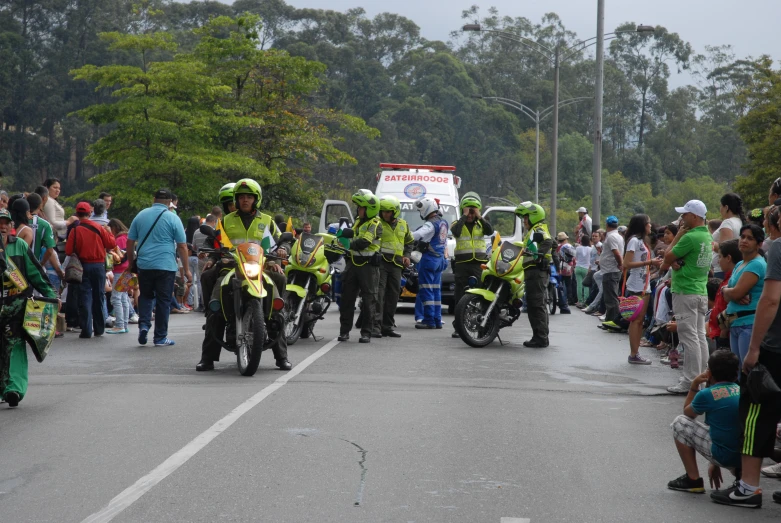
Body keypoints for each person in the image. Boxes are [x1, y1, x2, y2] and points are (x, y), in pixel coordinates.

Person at [709, 205, 781, 508]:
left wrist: (753, 349)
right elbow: (730, 291)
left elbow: (770, 298)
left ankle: (749, 487)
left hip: (774, 345)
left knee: (755, 412)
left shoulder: (776, 249)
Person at [197, 179, 291, 371]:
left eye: (249, 197)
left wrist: (282, 249)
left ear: (256, 199)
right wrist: (209, 253)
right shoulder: (226, 221)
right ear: (236, 200)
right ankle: (207, 358)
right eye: (241, 197)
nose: (245, 200)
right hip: (231, 267)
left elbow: (283, 240)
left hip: (261, 267)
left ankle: (281, 357)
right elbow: (211, 241)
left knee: (278, 298)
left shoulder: (267, 221)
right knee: (216, 307)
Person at [0, 209, 58, 408]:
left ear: (11, 226)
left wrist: (51, 296)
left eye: (6, 222)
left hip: (16, 307)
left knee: (15, 345)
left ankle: (13, 389)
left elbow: (36, 274)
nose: (3, 226)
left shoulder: (20, 246)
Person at [667, 350, 742, 494]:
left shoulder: (706, 394)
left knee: (680, 423)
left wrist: (694, 385)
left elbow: (688, 414)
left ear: (710, 373)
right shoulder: (740, 390)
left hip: (725, 455)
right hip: (744, 454)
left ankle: (693, 479)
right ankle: (741, 474)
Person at [661, 200, 713, 395]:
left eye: (685, 214)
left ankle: (690, 381)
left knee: (689, 337)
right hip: (699, 290)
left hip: (685, 290)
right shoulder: (706, 235)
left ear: (695, 216)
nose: (682, 218)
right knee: (699, 336)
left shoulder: (690, 236)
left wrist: (679, 236)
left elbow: (667, 257)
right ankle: (702, 378)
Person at [127, 189, 190, 347]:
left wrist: (130, 262)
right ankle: (160, 337)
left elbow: (130, 241)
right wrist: (187, 270)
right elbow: (182, 246)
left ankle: (143, 325)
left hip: (144, 264)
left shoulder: (140, 215)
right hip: (166, 266)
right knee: (163, 300)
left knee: (146, 296)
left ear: (153, 199)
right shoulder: (172, 218)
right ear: (170, 202)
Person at [337, 190, 383, 343]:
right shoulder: (357, 221)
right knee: (347, 299)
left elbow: (364, 242)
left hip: (368, 268)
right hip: (352, 264)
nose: (358, 210)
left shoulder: (375, 224)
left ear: (369, 209)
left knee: (369, 300)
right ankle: (344, 332)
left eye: (361, 208)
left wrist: (348, 243)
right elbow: (350, 234)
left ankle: (366, 333)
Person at [66, 201, 117, 339]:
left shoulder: (75, 230)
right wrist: (109, 233)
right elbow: (111, 244)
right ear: (89, 213)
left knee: (85, 297)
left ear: (77, 214)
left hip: (83, 267)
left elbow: (69, 250)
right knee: (99, 296)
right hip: (99, 266)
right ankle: (99, 329)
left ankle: (86, 329)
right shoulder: (99, 228)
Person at [722, 224, 767, 367]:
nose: (744, 240)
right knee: (737, 372)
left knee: (746, 370)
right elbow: (728, 294)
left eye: (750, 238)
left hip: (748, 324)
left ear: (759, 244)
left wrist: (730, 291)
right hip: (735, 322)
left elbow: (736, 293)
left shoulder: (756, 264)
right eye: (742, 237)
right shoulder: (740, 263)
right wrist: (728, 291)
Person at [450, 192, 493, 337]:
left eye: (472, 211)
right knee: (460, 296)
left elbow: (490, 231)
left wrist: (479, 216)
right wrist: (464, 215)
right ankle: (458, 327)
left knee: (481, 294)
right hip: (462, 264)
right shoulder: (457, 223)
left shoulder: (481, 223)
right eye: (468, 211)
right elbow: (455, 232)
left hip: (479, 264)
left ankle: (482, 325)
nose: (470, 214)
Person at [623, 214, 662, 364]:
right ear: (642, 225)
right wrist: (649, 261)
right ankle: (634, 353)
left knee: (640, 320)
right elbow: (626, 264)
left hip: (644, 282)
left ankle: (636, 352)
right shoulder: (634, 241)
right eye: (648, 223)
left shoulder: (641, 241)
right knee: (636, 320)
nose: (650, 226)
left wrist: (650, 263)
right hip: (636, 283)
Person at [515, 202, 554, 348]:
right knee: (535, 304)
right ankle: (539, 336)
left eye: (525, 218)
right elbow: (554, 243)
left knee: (536, 305)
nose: (524, 221)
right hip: (534, 271)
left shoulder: (538, 228)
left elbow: (549, 242)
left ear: (533, 216)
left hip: (536, 271)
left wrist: (539, 256)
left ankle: (541, 338)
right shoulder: (533, 230)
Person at [374, 196, 413, 338]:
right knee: (379, 294)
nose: (385, 214)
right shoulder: (377, 223)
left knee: (393, 295)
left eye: (388, 211)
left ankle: (388, 326)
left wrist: (407, 255)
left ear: (395, 212)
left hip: (397, 265)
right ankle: (376, 327)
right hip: (381, 263)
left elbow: (409, 242)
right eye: (383, 211)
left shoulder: (403, 224)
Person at [411, 197, 449, 330]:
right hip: (439, 260)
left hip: (428, 260)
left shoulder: (430, 223)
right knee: (436, 291)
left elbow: (418, 234)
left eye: (421, 210)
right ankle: (437, 320)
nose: (421, 213)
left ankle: (428, 321)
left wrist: (406, 235)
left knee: (426, 290)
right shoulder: (443, 222)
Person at [201, 183, 236, 308]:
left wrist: (276, 258)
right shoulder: (224, 223)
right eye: (230, 204)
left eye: (235, 203)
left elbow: (273, 242)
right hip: (229, 264)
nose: (233, 207)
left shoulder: (262, 220)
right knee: (206, 276)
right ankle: (211, 314)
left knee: (279, 278)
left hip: (255, 265)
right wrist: (211, 258)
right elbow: (214, 242)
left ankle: (277, 316)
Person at [26, 193, 65, 285]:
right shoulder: (44, 224)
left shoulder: (19, 221)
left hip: (19, 267)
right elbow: (50, 250)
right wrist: (41, 263)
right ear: (40, 205)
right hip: (36, 268)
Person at [106, 219, 132, 334]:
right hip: (128, 270)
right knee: (124, 297)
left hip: (120, 270)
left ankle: (119, 324)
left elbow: (120, 256)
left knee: (116, 297)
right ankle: (124, 324)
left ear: (114, 227)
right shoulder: (127, 237)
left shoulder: (120, 239)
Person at [711, 193, 745, 279]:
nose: (720, 209)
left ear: (726, 207)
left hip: (722, 270)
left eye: (721, 206)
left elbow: (725, 248)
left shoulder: (728, 223)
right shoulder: (740, 222)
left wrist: (712, 243)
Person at [600, 216, 624, 328]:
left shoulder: (612, 237)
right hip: (610, 270)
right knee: (610, 296)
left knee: (611, 298)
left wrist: (620, 264)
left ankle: (613, 321)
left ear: (607, 225)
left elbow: (617, 253)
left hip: (611, 270)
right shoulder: (617, 236)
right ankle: (609, 320)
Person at [554, 232, 574, 314]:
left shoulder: (557, 247)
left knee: (560, 284)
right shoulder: (569, 246)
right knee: (568, 284)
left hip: (560, 267)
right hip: (569, 266)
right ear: (566, 239)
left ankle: (563, 299)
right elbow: (574, 257)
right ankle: (570, 299)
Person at [574, 235, 591, 308]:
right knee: (586, 285)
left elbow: (576, 257)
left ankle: (579, 301)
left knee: (579, 285)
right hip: (586, 268)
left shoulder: (578, 248)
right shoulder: (591, 249)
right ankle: (585, 300)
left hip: (578, 267)